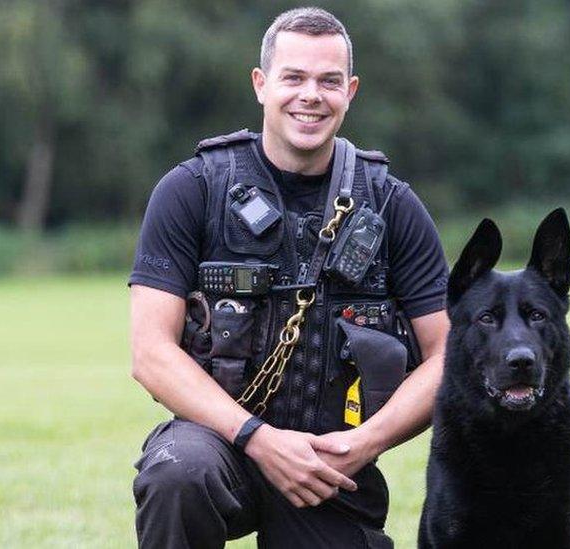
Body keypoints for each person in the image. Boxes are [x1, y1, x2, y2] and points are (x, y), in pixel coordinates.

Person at [128, 7, 449, 548]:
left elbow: (449, 354)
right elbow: (150, 353)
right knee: (177, 473)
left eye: (328, 81)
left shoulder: (392, 205)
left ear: (351, 90)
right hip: (219, 442)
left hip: (330, 466)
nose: (311, 95)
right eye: (293, 77)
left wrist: (367, 442)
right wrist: (256, 437)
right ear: (261, 84)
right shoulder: (192, 190)